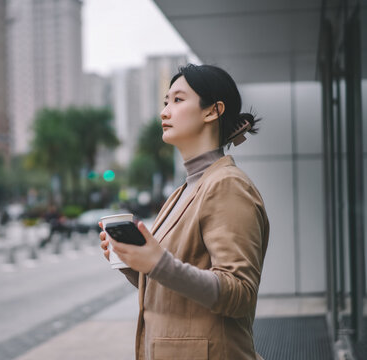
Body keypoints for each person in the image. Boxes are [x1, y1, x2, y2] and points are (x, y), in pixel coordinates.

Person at [99, 64, 270, 360]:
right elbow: (171, 285)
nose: (165, 112)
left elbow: (240, 293)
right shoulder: (182, 192)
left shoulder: (227, 185)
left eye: (178, 100)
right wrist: (135, 263)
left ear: (212, 111)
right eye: (165, 102)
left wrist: (158, 262)